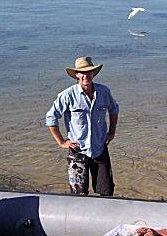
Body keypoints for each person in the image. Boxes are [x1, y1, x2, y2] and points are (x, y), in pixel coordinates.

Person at [46, 56, 119, 196]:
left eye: (89, 72)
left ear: (93, 73)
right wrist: (62, 142)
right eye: (82, 72)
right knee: (78, 194)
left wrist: (111, 133)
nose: (86, 75)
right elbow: (51, 118)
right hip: (77, 151)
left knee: (107, 191)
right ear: (77, 75)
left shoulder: (103, 92)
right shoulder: (67, 95)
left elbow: (114, 109)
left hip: (99, 148)